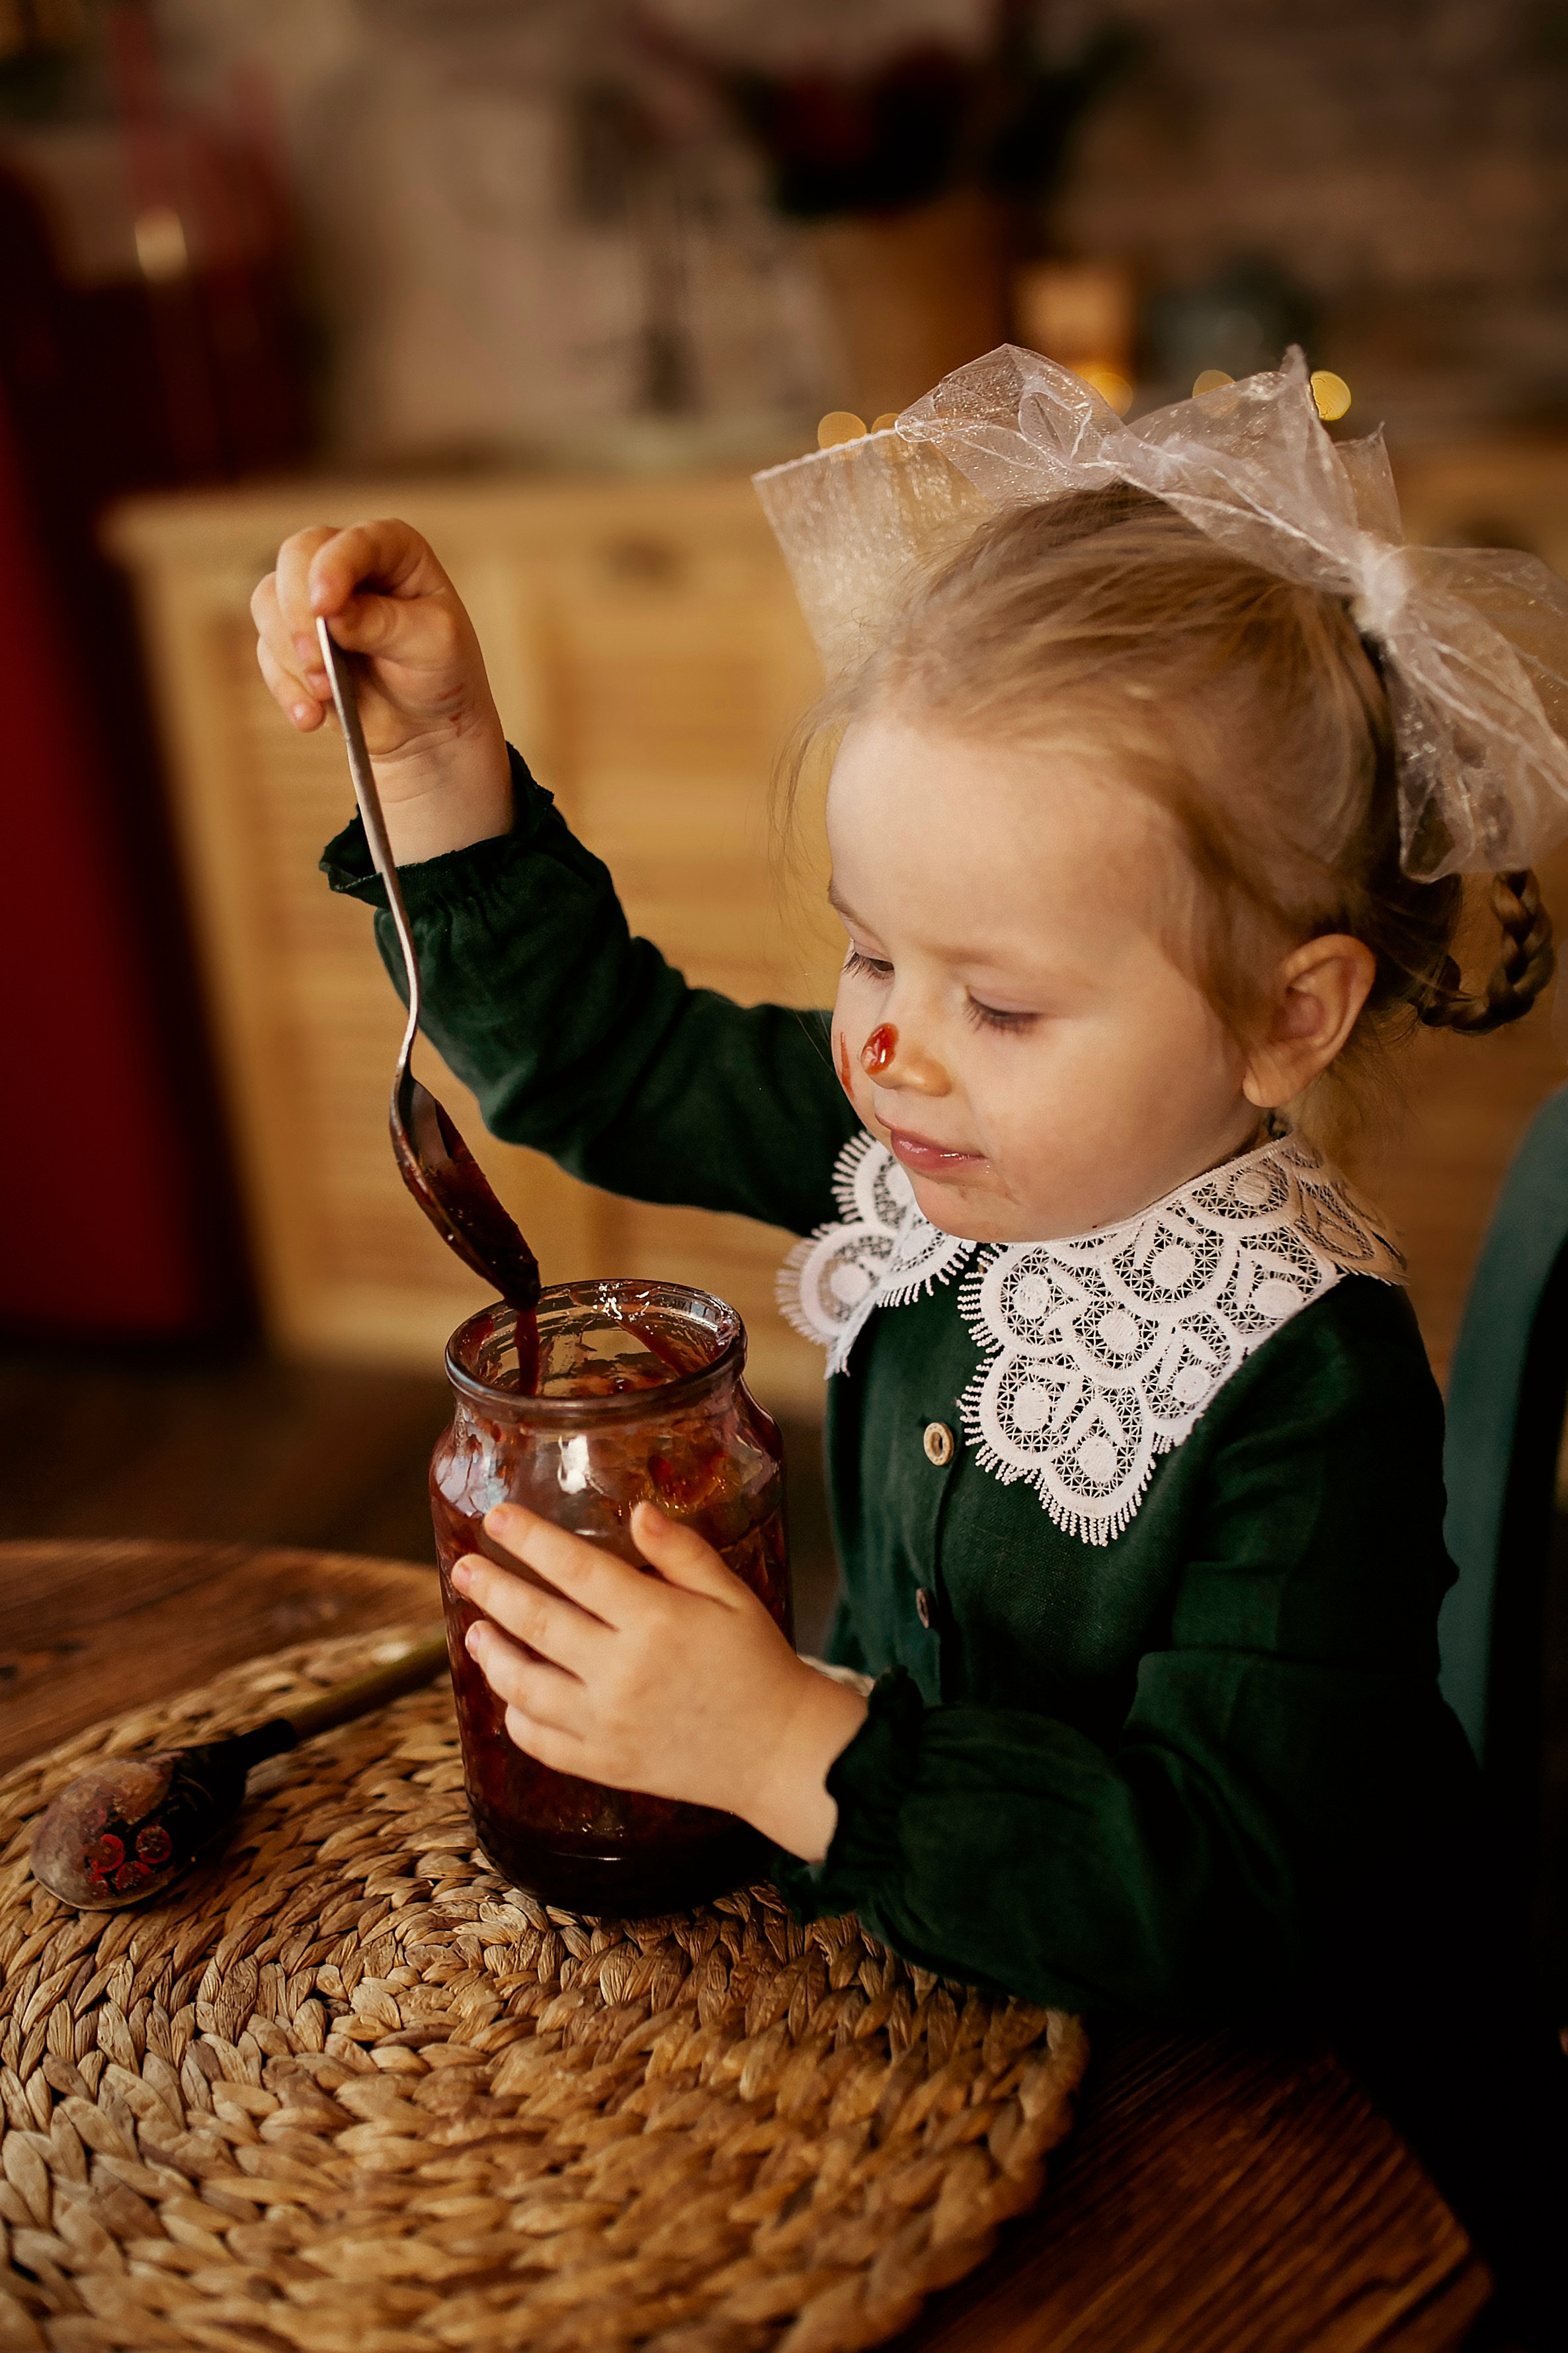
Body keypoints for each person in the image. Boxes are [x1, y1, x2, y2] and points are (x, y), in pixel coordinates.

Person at [255, 350, 1568, 2338]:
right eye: (870, 950)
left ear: (1287, 1017)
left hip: (1305, 2103)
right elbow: (602, 1058)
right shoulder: (919, 1147)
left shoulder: (1305, 1383)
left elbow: (1230, 1889)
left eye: (1001, 1001)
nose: (887, 1043)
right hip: (960, 1945)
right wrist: (437, 752)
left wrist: (787, 1742)